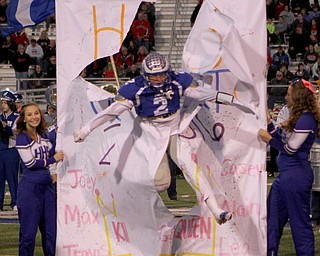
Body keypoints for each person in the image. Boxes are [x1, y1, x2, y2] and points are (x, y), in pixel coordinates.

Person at [74, 52, 255, 225]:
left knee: (190, 166)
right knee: (161, 182)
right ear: (146, 75)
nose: (159, 79)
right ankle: (130, 205)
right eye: (154, 76)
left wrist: (233, 100)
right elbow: (112, 111)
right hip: (149, 133)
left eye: (161, 75)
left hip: (175, 128)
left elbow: (201, 93)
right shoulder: (135, 89)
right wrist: (86, 129)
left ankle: (217, 211)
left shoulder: (177, 80)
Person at [258, 78, 320, 256]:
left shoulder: (307, 119)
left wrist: (268, 139)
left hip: (296, 176)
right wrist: (269, 123)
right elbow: (280, 138)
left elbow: (290, 148)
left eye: (289, 93)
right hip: (285, 176)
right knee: (272, 220)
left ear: (298, 96)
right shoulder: (298, 117)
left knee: (299, 224)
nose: (286, 96)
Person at [15, 102, 64, 255]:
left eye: (36, 113)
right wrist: (53, 160)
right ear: (23, 118)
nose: (34, 117)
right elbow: (30, 163)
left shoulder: (44, 136)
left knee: (51, 234)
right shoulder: (21, 138)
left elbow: (52, 155)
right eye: (29, 114)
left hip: (48, 188)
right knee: (28, 235)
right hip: (30, 190)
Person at [0, 91, 20, 211]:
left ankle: (15, 202)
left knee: (12, 177)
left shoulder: (17, 117)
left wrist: (5, 127)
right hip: (1, 150)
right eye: (2, 102)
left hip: (11, 150)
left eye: (5, 103)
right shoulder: (0, 117)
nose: (3, 105)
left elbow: (15, 134)